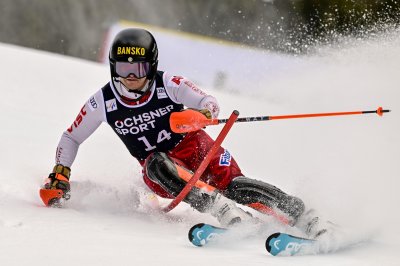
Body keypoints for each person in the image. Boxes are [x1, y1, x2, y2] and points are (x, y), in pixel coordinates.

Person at [41, 28, 324, 237]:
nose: (131, 77)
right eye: (124, 68)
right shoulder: (102, 102)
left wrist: (200, 116)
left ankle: (305, 216)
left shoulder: (169, 83)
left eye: (138, 68)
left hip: (199, 148)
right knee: (156, 163)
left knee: (236, 187)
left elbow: (209, 104)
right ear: (114, 67)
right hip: (163, 172)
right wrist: (61, 171)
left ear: (151, 66)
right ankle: (220, 209)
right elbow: (71, 137)